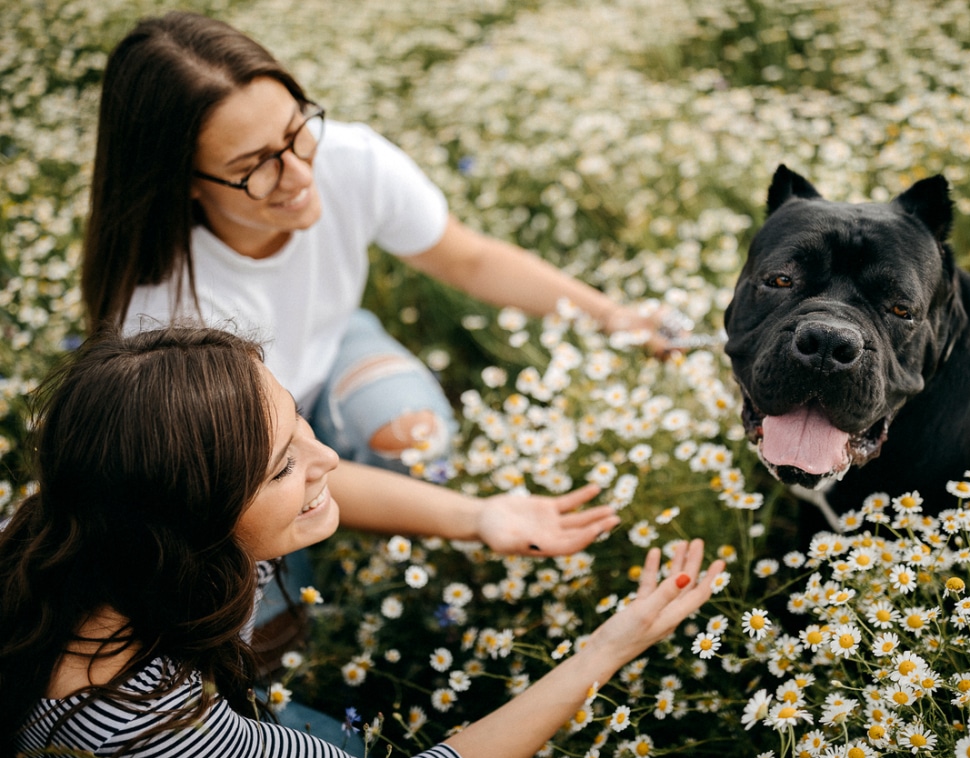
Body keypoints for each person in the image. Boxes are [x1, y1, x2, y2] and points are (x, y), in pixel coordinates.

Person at [1, 327, 724, 758]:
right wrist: (607, 649)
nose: (328, 462)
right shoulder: (151, 727)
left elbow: (312, 498)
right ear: (195, 519)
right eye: (283, 464)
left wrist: (479, 516)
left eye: (297, 421)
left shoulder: (76, 521)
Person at [81, 10, 681, 473]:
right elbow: (270, 472)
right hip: (238, 454)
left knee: (416, 444)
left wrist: (612, 317)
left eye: (296, 130)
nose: (299, 173)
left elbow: (469, 260)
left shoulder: (349, 157)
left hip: (332, 347)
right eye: (255, 163)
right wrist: (481, 521)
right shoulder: (161, 315)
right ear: (181, 181)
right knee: (250, 577)